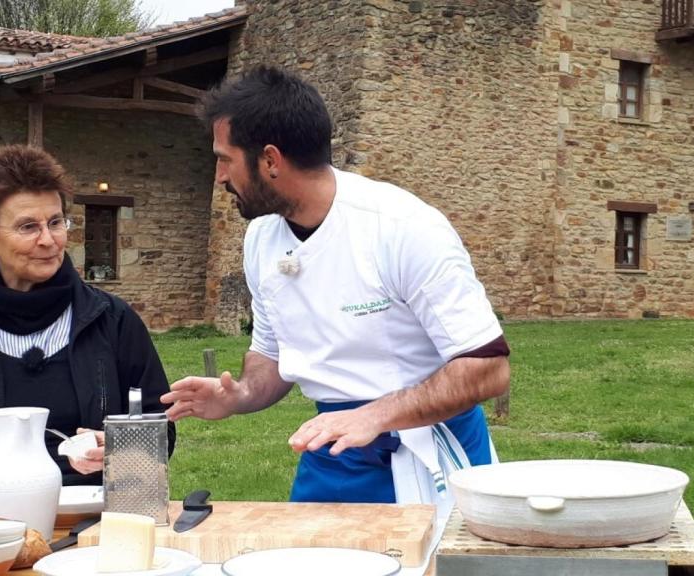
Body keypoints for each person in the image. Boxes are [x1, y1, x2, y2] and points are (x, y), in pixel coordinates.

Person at [163, 66, 510, 507]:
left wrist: (378, 415)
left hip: (434, 452)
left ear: (270, 160)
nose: (220, 177)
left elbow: (488, 367)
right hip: (331, 455)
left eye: (224, 158)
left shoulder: (403, 227)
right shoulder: (261, 239)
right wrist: (241, 395)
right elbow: (271, 354)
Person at [0, 145, 174, 486]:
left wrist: (118, 446)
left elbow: (161, 428)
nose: (50, 240)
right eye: (28, 227)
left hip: (94, 519)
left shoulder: (112, 320)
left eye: (56, 222)